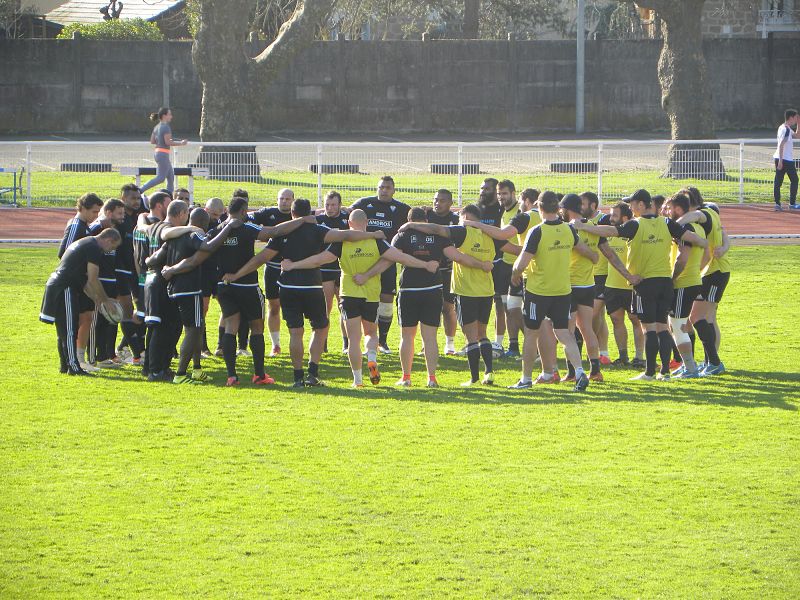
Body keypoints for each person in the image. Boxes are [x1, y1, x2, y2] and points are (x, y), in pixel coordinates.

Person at [223, 199, 386, 388]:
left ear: (292, 214)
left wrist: (237, 274)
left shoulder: (284, 232)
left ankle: (298, 377)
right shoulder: (318, 230)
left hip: (288, 287)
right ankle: (312, 373)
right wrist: (373, 234)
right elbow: (347, 235)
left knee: (295, 333)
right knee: (320, 328)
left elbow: (261, 258)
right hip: (312, 287)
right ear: (309, 213)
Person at [163, 196, 313, 387]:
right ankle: (259, 375)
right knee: (256, 327)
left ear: (227, 210)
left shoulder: (216, 231)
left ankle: (231, 375)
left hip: (224, 287)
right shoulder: (246, 228)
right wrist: (303, 220)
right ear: (243, 211)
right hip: (247, 286)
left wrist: (172, 269)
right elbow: (274, 231)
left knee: (231, 327)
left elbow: (197, 257)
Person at [282, 209, 437, 388]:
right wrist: (425, 264)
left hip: (349, 293)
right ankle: (371, 357)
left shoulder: (343, 242)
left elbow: (319, 260)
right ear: (366, 223)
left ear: (349, 224)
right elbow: (401, 257)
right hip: (371, 294)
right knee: (371, 333)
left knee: (354, 339)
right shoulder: (376, 241)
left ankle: (358, 380)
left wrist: (294, 265)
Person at [574, 189, 707, 381]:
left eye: (633, 203)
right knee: (663, 327)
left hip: (645, 283)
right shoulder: (667, 222)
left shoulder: (635, 225)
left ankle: (650, 372)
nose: (630, 207)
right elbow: (690, 237)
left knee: (649, 329)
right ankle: (665, 372)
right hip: (665, 282)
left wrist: (586, 228)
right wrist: (705, 242)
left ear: (642, 205)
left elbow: (611, 231)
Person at [380, 206, 492, 387]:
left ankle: (406, 377)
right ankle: (431, 378)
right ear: (426, 220)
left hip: (409, 290)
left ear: (409, 220)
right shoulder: (439, 237)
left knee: (407, 336)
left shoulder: (401, 235)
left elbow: (393, 258)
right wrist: (482, 265)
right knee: (430, 337)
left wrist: (369, 273)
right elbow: (459, 257)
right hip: (433, 290)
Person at [500, 191, 596, 391]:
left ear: (540, 208)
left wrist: (515, 273)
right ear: (558, 208)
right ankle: (579, 372)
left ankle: (526, 379)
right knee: (564, 333)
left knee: (531, 335)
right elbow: (583, 249)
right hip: (562, 290)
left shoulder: (537, 231)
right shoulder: (568, 230)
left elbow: (523, 261)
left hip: (539, 292)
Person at [151, 205, 239, 384]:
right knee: (192, 330)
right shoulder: (195, 234)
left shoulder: (175, 236)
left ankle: (197, 369)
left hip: (174, 289)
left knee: (197, 328)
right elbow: (208, 247)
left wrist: (165, 268)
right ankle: (181, 374)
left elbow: (153, 259)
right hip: (190, 289)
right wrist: (228, 227)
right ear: (204, 224)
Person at [462, 188, 540, 361]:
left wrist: (476, 225)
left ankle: (540, 355)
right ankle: (521, 347)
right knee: (513, 309)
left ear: (526, 201)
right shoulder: (550, 219)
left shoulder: (524, 217)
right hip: (522, 269)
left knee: (536, 318)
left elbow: (504, 235)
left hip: (528, 272)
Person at [40, 229, 122, 375]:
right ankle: (74, 366)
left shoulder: (86, 242)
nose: (110, 251)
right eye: (113, 247)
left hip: (57, 285)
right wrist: (106, 300)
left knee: (64, 330)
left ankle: (65, 365)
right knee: (70, 330)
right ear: (109, 240)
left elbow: (83, 281)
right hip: (64, 287)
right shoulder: (94, 248)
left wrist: (97, 300)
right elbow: (93, 279)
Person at [350, 176, 411, 354]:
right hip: (364, 260)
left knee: (386, 301)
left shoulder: (401, 209)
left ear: (394, 190)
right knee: (365, 301)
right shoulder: (364, 204)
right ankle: (363, 342)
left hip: (387, 261)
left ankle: (382, 341)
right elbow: (350, 215)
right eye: (381, 187)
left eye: (387, 187)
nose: (384, 190)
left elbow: (412, 221)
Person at [676, 188, 731, 376]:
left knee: (700, 318)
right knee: (706, 318)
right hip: (712, 271)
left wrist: (671, 225)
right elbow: (724, 235)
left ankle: (713, 362)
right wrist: (724, 247)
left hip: (716, 271)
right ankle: (710, 362)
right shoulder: (712, 214)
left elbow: (695, 216)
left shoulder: (703, 213)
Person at [559, 194, 603, 382]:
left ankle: (571, 372)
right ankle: (595, 370)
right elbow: (599, 254)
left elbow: (585, 252)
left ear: (566, 210)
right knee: (587, 329)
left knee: (567, 332)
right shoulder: (592, 227)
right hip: (588, 284)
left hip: (570, 285)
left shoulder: (569, 229)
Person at [59, 192, 104, 369]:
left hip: (82, 281)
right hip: (74, 282)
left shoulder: (85, 226)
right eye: (94, 212)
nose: (96, 216)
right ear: (83, 208)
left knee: (87, 317)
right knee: (79, 319)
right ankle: (75, 359)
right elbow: (64, 253)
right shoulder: (75, 225)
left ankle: (79, 358)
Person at [597, 202, 645, 367]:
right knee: (617, 320)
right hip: (612, 286)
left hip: (632, 286)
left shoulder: (634, 232)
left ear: (625, 217)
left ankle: (639, 357)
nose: (610, 218)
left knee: (636, 320)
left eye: (614, 215)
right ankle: (623, 356)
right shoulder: (609, 234)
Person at [249, 188, 295, 357]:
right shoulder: (268, 213)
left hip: (292, 269)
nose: (284, 201)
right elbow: (249, 218)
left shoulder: (297, 214)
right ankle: (275, 345)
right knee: (273, 306)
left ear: (292, 200)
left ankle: (294, 342)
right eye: (281, 198)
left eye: (287, 199)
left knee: (291, 308)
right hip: (272, 268)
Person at [665, 193, 706, 378]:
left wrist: (672, 280)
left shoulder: (684, 228)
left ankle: (690, 368)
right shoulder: (699, 228)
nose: (666, 212)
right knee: (682, 326)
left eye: (669, 208)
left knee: (677, 325)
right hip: (693, 280)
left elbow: (682, 258)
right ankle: (688, 364)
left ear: (679, 209)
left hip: (683, 283)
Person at [132, 191, 171, 377]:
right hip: (151, 279)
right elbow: (141, 258)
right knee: (155, 324)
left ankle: (149, 365)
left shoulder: (144, 225)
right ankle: (153, 366)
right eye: (168, 203)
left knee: (151, 323)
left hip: (145, 279)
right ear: (159, 205)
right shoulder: (160, 228)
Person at [86, 199, 126, 369]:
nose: (122, 217)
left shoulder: (116, 230)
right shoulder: (96, 230)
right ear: (108, 213)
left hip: (111, 282)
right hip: (99, 282)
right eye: (119, 213)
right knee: (96, 321)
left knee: (109, 320)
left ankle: (105, 356)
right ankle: (92, 358)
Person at [114, 184, 145, 366]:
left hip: (135, 273)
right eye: (132, 198)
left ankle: (126, 348)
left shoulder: (137, 219)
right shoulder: (119, 221)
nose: (136, 201)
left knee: (140, 311)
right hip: (121, 273)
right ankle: (135, 353)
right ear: (123, 198)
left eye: (138, 198)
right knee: (127, 312)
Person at [426, 189, 460, 355]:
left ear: (450, 203)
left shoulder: (456, 220)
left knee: (448, 308)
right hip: (428, 270)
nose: (437, 203)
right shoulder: (427, 217)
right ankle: (428, 343)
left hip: (448, 271)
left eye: (442, 200)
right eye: (435, 199)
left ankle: (450, 344)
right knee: (429, 308)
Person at [581, 191, 612, 366]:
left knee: (593, 314)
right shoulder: (579, 223)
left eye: (583, 204)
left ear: (593, 205)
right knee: (598, 314)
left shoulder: (604, 220)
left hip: (602, 273)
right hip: (589, 274)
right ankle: (603, 352)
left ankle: (594, 351)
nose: (580, 207)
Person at [316, 191, 350, 352]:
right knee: (325, 307)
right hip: (325, 269)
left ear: (340, 205)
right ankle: (323, 343)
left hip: (344, 268)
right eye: (327, 205)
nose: (329, 208)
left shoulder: (346, 220)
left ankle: (346, 344)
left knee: (344, 307)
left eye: (333, 205)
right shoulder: (319, 220)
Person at [495, 179, 524, 358]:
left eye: (504, 193)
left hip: (518, 265)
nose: (501, 197)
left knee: (516, 308)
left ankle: (534, 342)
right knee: (507, 307)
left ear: (513, 193)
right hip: (506, 265)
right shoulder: (503, 212)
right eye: (499, 194)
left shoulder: (519, 213)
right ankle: (513, 346)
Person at [139, 107, 187, 195]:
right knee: (161, 178)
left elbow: (152, 141)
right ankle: (140, 190)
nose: (171, 117)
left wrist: (161, 139)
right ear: (164, 116)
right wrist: (181, 143)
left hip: (158, 153)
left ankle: (169, 195)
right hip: (163, 154)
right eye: (169, 114)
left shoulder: (157, 127)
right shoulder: (166, 127)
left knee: (170, 177)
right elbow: (168, 142)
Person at [773, 108, 799, 211]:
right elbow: (781, 144)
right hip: (785, 160)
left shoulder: (783, 127)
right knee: (794, 180)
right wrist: (780, 161)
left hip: (782, 158)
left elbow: (797, 136)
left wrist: (799, 124)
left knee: (779, 182)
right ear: (791, 117)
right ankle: (790, 204)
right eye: (795, 117)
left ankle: (778, 204)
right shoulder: (786, 130)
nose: (796, 119)